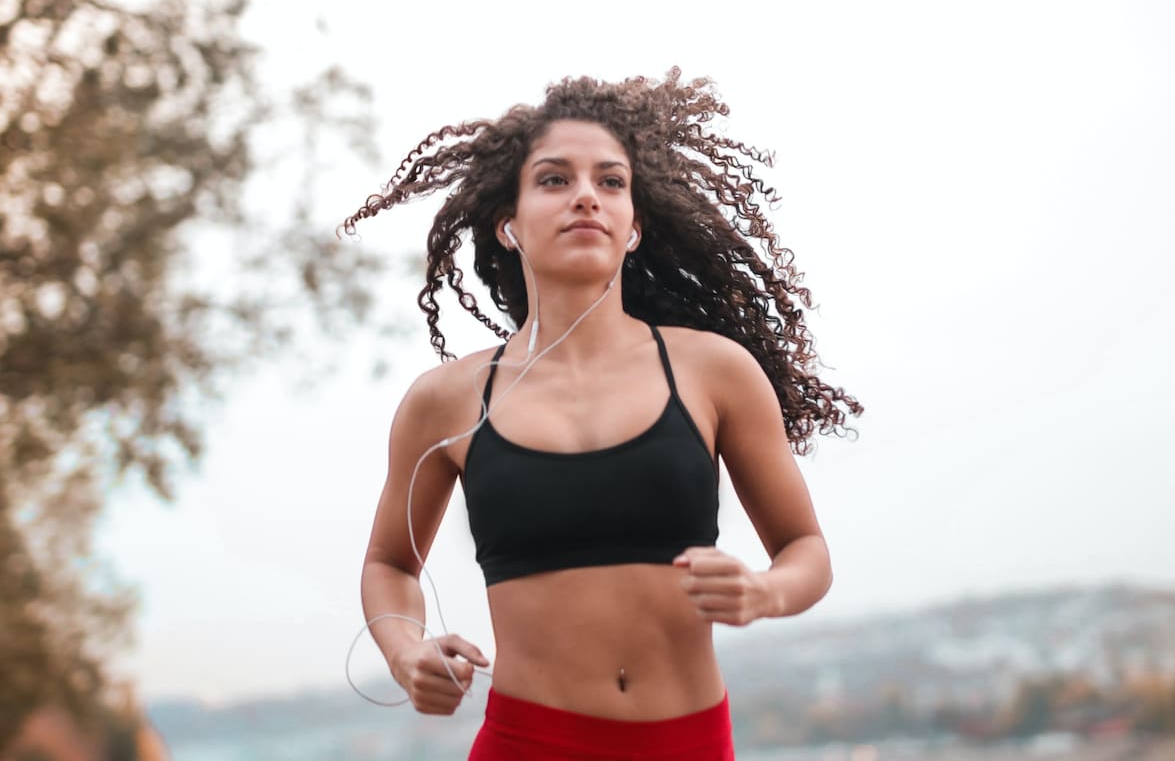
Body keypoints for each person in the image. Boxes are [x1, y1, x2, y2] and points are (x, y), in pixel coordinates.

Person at [342, 68, 861, 761]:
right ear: (508, 224)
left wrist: (763, 593)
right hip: (525, 743)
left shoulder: (715, 371)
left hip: (689, 743)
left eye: (610, 182)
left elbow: (808, 551)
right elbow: (389, 562)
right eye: (554, 180)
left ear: (635, 226)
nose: (586, 195)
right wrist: (407, 652)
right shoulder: (445, 401)